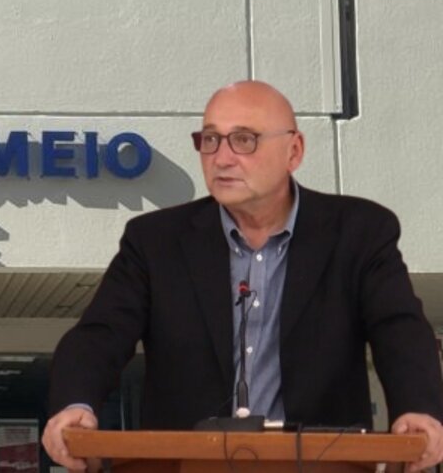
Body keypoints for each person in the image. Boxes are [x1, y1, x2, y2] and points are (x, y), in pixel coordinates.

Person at [41, 80, 443, 472]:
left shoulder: (359, 232)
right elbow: (101, 335)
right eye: (210, 140)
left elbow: (400, 329)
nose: (221, 158)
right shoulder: (155, 241)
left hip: (320, 464)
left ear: (294, 151)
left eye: (244, 140)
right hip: (183, 465)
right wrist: (75, 404)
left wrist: (419, 409)